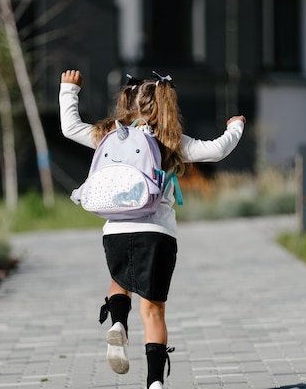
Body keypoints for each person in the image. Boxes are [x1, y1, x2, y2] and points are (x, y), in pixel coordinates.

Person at [59, 69, 246, 389]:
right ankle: (155, 383)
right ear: (164, 104)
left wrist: (68, 90)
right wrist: (236, 127)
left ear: (126, 101)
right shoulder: (170, 140)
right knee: (154, 310)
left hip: (116, 230)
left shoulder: (108, 133)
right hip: (158, 234)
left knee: (119, 281)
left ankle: (118, 322)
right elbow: (216, 150)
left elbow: (70, 127)